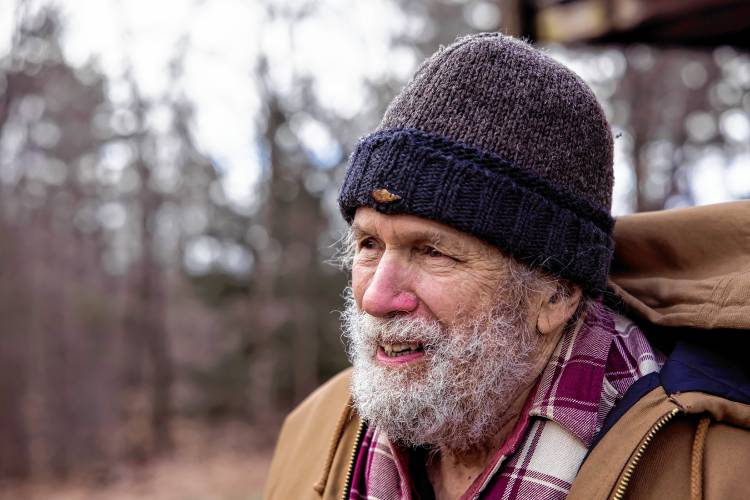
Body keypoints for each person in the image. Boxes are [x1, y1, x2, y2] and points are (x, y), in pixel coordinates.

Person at [264, 33, 750, 500]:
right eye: (369, 244)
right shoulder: (310, 436)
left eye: (433, 252)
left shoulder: (718, 470)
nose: (377, 297)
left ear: (556, 293)